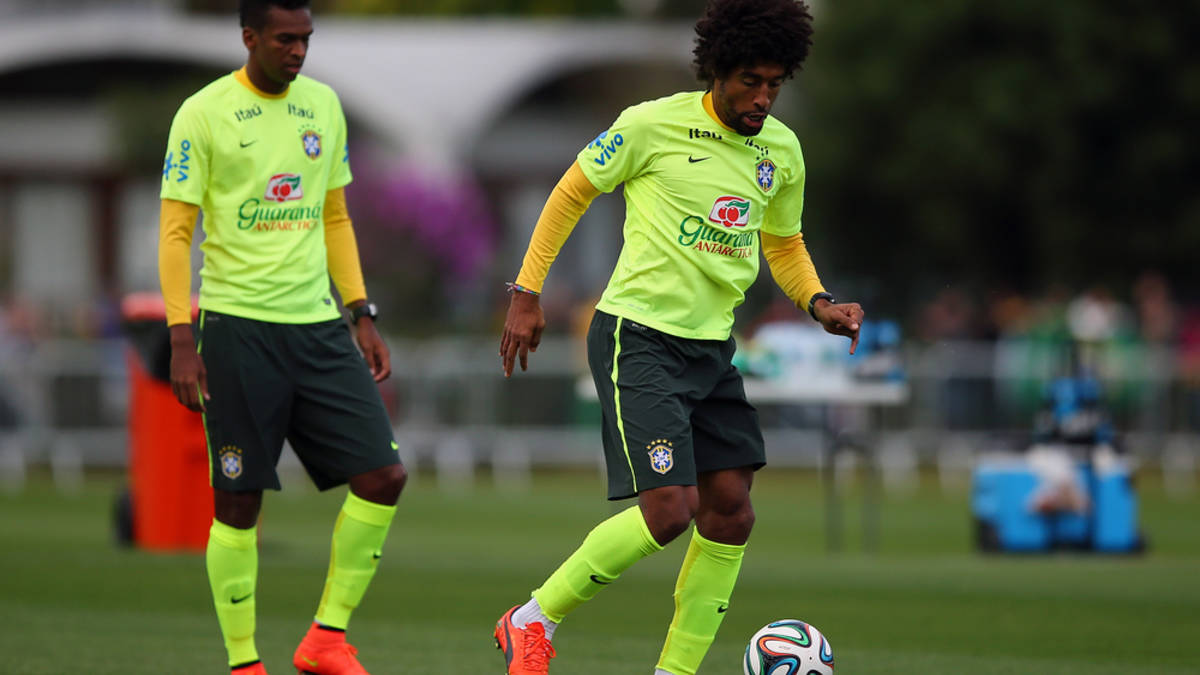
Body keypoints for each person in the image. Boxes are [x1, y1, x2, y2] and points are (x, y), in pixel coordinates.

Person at [494, 1, 863, 673]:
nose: (763, 97)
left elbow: (783, 243)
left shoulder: (781, 151)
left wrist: (818, 302)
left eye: (775, 84)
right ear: (717, 70)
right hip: (638, 338)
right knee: (669, 510)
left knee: (731, 512)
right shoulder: (650, 125)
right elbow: (571, 192)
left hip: (712, 351)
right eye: (750, 81)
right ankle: (531, 618)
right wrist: (526, 291)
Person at [157, 2, 406, 673]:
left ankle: (326, 639)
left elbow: (334, 216)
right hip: (236, 329)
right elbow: (176, 233)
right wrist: (181, 337)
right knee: (239, 501)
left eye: (306, 39)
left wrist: (360, 311)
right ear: (250, 38)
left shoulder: (323, 106)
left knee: (384, 474)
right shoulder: (202, 113)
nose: (298, 51)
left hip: (318, 328)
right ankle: (244, 662)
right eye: (285, 39)